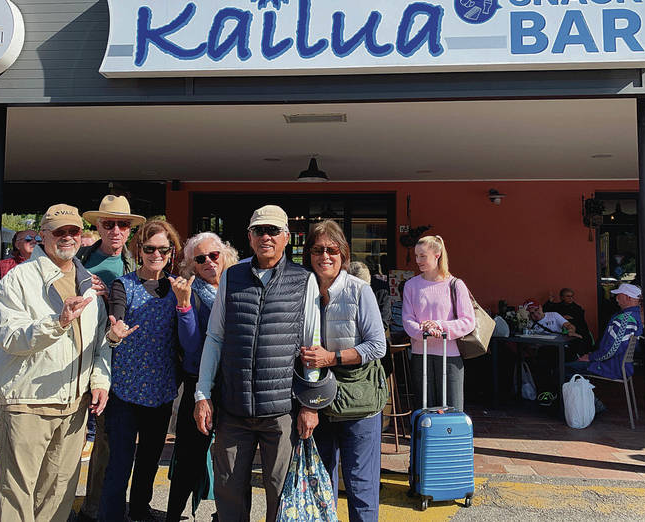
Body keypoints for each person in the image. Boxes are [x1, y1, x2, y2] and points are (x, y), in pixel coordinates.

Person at [193, 205, 321, 522]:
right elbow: (215, 337)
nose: (266, 236)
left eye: (273, 231)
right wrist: (202, 393)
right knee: (228, 492)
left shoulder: (304, 281)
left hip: (281, 412)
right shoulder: (232, 277)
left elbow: (312, 347)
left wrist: (311, 404)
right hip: (233, 408)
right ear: (250, 237)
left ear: (287, 237)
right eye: (259, 230)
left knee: (281, 493)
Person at [0, 204, 110, 522]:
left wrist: (99, 382)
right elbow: (10, 336)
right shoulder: (18, 280)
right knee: (17, 493)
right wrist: (56, 323)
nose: (68, 237)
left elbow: (99, 342)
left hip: (74, 405)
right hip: (28, 401)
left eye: (74, 231)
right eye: (60, 231)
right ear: (43, 236)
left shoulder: (89, 283)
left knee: (59, 492)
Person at [98, 220, 191, 522]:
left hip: (161, 390)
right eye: (150, 249)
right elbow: (116, 319)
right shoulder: (123, 285)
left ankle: (139, 510)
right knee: (120, 462)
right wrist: (116, 332)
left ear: (171, 252)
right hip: (124, 390)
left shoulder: (178, 287)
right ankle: (110, 515)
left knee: (150, 460)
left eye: (163, 249)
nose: (156, 254)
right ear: (140, 250)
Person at [301, 221, 386, 522]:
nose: (325, 256)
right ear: (308, 254)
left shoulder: (359, 291)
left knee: (361, 487)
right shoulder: (302, 290)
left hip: (358, 404)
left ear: (343, 253)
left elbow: (377, 346)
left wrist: (331, 358)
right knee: (320, 485)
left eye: (332, 250)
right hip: (317, 403)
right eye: (318, 249)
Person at [77, 194, 146, 522]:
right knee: (67, 443)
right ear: (98, 226)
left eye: (122, 224)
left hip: (113, 366)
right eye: (109, 223)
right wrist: (78, 288)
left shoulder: (138, 264)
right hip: (73, 362)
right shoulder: (76, 259)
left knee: (106, 443)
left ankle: (95, 509)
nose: (116, 230)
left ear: (130, 230)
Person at [166, 231, 238, 522]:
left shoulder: (239, 285)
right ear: (192, 266)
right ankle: (173, 514)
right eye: (200, 259)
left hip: (234, 381)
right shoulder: (191, 293)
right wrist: (184, 307)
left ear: (225, 255)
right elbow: (192, 345)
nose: (209, 262)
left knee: (234, 457)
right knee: (189, 454)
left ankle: (227, 514)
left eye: (214, 255)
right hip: (200, 383)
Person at [403, 235, 475, 412]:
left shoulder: (455, 285)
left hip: (450, 355)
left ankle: (451, 440)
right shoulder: (411, 285)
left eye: (423, 256)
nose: (418, 260)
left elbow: (468, 321)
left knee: (452, 408)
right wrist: (425, 331)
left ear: (437, 255)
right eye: (416, 256)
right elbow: (407, 319)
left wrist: (439, 326)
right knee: (424, 408)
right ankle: (424, 440)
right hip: (421, 353)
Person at [567, 283, 644, 381]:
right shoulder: (634, 316)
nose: (616, 299)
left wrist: (591, 357)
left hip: (611, 367)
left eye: (618, 295)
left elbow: (612, 349)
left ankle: (586, 397)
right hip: (620, 365)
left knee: (563, 369)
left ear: (627, 297)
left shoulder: (625, 318)